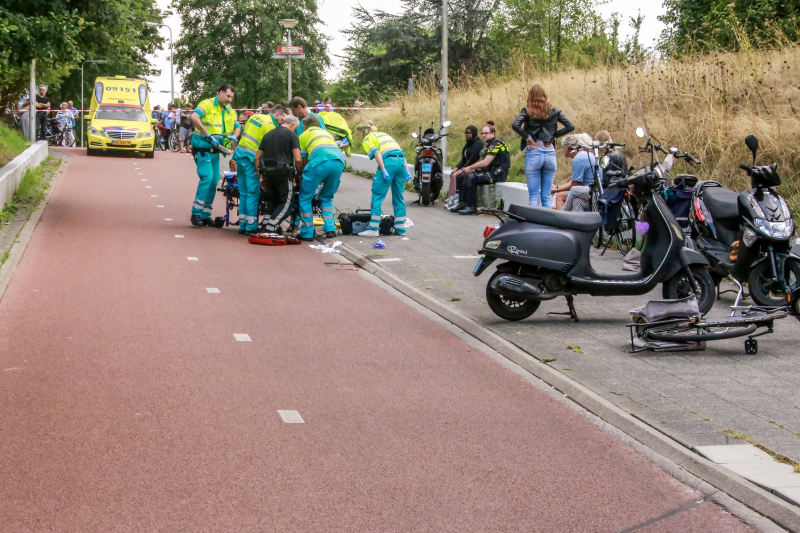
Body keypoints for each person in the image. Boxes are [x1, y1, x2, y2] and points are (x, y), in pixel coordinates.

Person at [512, 84, 574, 207]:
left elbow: (515, 125)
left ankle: (534, 219)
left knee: (534, 196)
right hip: (549, 153)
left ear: (530, 97)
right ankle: (548, 219)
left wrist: (528, 138)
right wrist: (554, 135)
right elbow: (570, 126)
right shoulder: (554, 111)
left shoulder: (527, 111)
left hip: (534, 153)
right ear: (544, 96)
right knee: (546, 196)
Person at [189, 84, 241, 227]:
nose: (229, 100)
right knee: (207, 178)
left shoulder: (230, 111)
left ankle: (206, 215)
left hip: (216, 151)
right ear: (220, 92)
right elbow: (194, 117)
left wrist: (234, 137)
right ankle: (196, 213)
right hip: (203, 149)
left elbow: (237, 127)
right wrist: (207, 134)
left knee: (214, 181)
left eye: (231, 97)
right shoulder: (207, 104)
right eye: (228, 96)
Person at [232, 105, 287, 234]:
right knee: (253, 192)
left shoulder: (254, 117)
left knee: (243, 192)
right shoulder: (270, 126)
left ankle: (243, 224)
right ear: (277, 115)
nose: (282, 123)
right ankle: (251, 226)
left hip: (240, 155)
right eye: (282, 119)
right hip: (251, 159)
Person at [296, 115, 344, 241]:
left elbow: (303, 159)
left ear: (305, 126)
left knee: (305, 197)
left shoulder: (304, 135)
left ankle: (307, 232)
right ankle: (330, 228)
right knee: (327, 197)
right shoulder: (326, 134)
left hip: (319, 163)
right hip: (338, 163)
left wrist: (301, 175)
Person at [357, 128, 412, 236]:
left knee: (377, 195)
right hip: (401, 162)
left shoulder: (367, 139)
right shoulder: (385, 135)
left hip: (388, 163)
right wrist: (406, 171)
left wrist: (383, 170)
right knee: (398, 196)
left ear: (361, 132)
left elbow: (377, 153)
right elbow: (400, 153)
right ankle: (401, 228)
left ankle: (373, 228)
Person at [450, 121, 510, 216]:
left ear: (493, 133)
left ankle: (471, 207)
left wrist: (470, 167)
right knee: (463, 175)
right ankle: (462, 203)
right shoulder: (487, 145)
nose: (483, 135)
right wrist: (469, 169)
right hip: (490, 171)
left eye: (486, 133)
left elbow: (485, 162)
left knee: (471, 177)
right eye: (482, 133)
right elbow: (480, 161)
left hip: (497, 174)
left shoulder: (496, 145)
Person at [256, 114, 302, 234]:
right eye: (295, 127)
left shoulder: (268, 134)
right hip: (283, 172)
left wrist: (260, 176)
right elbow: (298, 159)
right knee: (287, 202)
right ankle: (271, 227)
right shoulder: (292, 135)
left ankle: (265, 224)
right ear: (292, 124)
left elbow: (257, 157)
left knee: (273, 200)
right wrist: (299, 174)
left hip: (267, 172)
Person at [553, 132, 596, 211]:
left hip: (589, 191)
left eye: (563, 148)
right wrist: (557, 187)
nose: (563, 151)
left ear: (568, 149)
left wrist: (555, 190)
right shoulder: (587, 154)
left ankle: (561, 216)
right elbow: (575, 181)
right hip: (591, 189)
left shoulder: (578, 159)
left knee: (559, 196)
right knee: (577, 201)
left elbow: (574, 185)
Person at [444, 125, 484, 209]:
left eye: (469, 133)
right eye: (466, 132)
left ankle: (460, 200)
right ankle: (452, 198)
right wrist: (456, 168)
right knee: (453, 174)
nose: (467, 134)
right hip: (467, 167)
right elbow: (464, 159)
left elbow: (472, 159)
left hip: (473, 167)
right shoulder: (468, 144)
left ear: (474, 133)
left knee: (459, 176)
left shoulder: (478, 144)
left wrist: (462, 169)